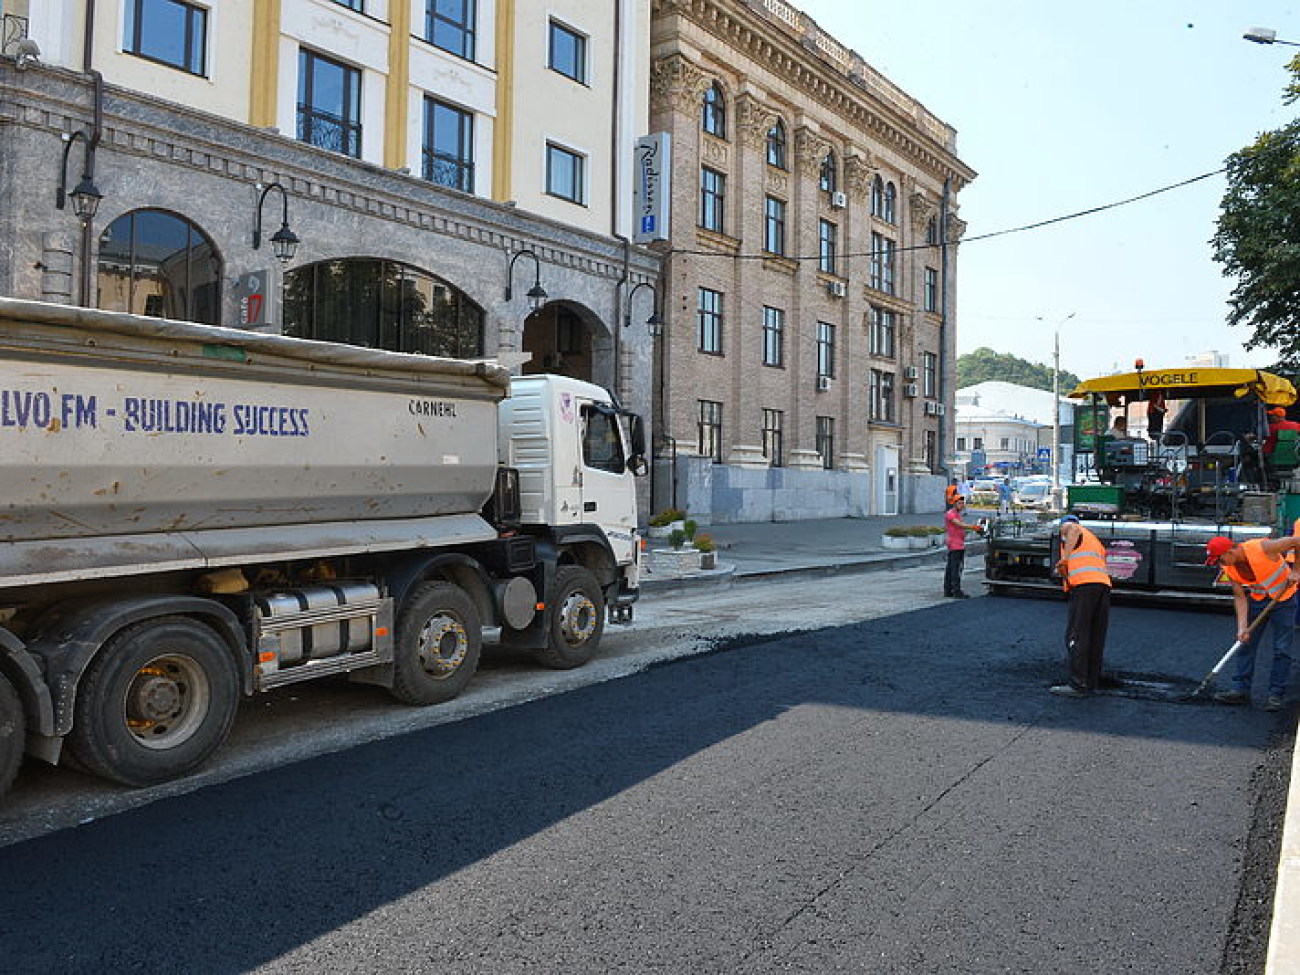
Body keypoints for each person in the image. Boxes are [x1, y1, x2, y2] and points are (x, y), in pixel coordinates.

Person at [1204, 534, 1300, 711]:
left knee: (1282, 648)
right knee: (1245, 643)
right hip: (1258, 601)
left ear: (1230, 551)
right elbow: (1240, 597)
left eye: (1220, 559)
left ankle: (1275, 695)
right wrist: (1242, 628)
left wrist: (1296, 570)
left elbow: (1297, 542)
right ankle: (1240, 690)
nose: (1221, 564)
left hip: (1285, 600)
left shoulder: (1263, 547)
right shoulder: (1229, 568)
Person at [1050, 515, 1113, 698]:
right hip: (1102, 586)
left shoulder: (1073, 529)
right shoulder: (1094, 541)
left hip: (1085, 587)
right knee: (1095, 634)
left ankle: (1078, 684)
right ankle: (1091, 681)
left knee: (1077, 634)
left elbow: (1073, 529)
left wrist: (1065, 559)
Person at [943, 496, 983, 598]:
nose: (962, 505)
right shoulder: (950, 514)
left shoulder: (957, 514)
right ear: (954, 503)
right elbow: (960, 525)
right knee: (956, 569)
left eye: (963, 503)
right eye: (960, 503)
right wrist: (974, 527)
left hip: (958, 543)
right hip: (955, 545)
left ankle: (948, 590)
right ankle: (956, 591)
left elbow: (961, 526)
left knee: (951, 568)